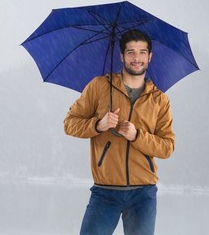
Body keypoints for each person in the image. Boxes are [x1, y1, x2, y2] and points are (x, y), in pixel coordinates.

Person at [63, 29, 175, 235]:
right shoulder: (98, 87)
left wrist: (137, 136)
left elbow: (167, 147)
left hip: (143, 193)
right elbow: (69, 123)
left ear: (150, 56)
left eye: (142, 52)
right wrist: (98, 125)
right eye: (131, 52)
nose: (137, 58)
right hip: (105, 191)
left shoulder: (160, 99)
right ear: (121, 55)